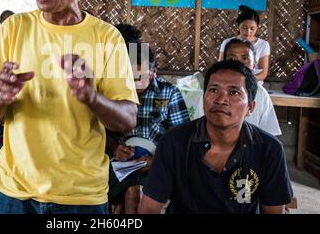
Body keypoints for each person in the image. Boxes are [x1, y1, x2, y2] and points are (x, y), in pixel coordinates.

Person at [0, 0, 139, 214]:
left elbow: (127, 119)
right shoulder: (14, 29)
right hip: (13, 192)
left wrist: (92, 97)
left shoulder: (107, 37)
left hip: (79, 197)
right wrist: (1, 95)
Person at [139, 60, 293, 214]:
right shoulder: (174, 141)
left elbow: (273, 211)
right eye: (213, 90)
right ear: (204, 98)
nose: (220, 100)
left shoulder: (269, 149)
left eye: (234, 92)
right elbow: (149, 208)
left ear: (250, 107)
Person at [108, 42, 190, 214]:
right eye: (130, 75)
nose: (135, 81)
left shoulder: (168, 93)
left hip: (155, 163)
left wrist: (158, 160)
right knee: (119, 204)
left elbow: (182, 137)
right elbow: (101, 131)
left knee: (134, 193)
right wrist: (116, 148)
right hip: (120, 163)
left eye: (141, 76)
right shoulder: (114, 92)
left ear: (153, 73)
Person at [223, 38, 281, 136]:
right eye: (232, 59)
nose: (238, 63)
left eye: (245, 58)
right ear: (223, 62)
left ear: (254, 65)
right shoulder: (212, 91)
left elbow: (270, 135)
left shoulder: (260, 94)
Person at [218, 5, 270, 82]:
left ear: (257, 27)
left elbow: (263, 73)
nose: (248, 32)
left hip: (252, 84)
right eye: (244, 28)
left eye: (252, 28)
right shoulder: (227, 43)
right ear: (238, 26)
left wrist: (245, 80)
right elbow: (220, 67)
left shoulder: (263, 45)